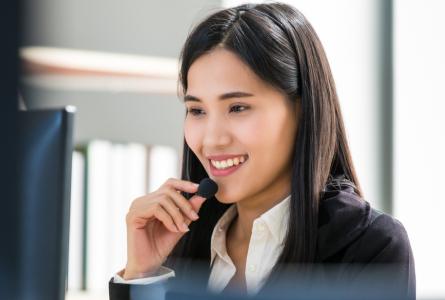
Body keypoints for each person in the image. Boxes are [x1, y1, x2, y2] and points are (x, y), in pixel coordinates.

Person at [108, 2, 415, 299]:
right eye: (197, 110)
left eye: (238, 107)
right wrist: (142, 276)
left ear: (303, 110)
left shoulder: (368, 247)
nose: (212, 140)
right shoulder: (182, 242)